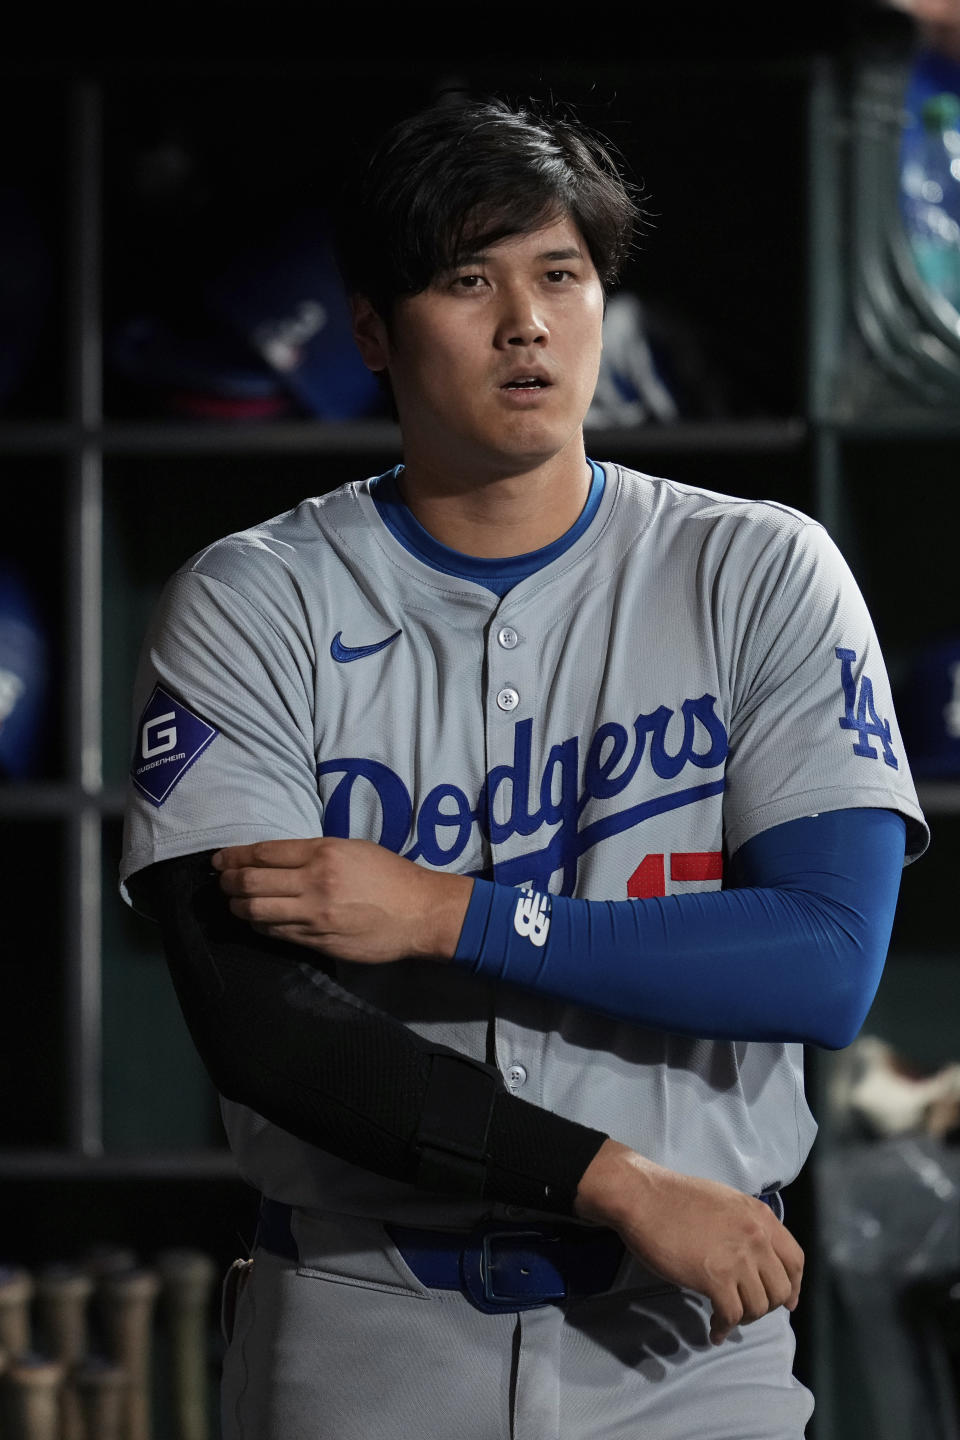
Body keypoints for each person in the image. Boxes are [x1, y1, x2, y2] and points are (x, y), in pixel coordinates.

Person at [120, 94, 928, 1440]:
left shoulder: (758, 572)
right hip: (363, 1324)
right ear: (372, 330)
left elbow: (827, 960)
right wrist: (613, 1179)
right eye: (465, 280)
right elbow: (264, 1029)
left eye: (561, 274)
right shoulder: (254, 600)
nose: (526, 324)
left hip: (685, 1347)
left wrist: (452, 914)